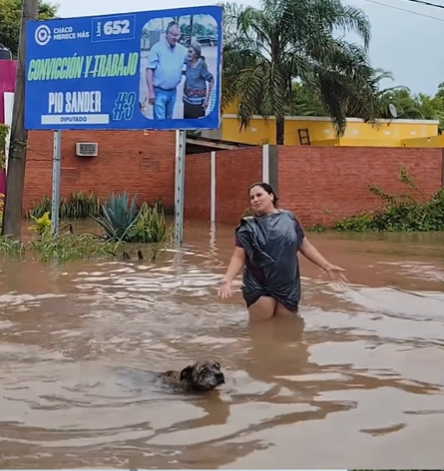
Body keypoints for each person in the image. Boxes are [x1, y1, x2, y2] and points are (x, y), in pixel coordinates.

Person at [217, 182, 347, 322]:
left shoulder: (290, 219)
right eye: (252, 197)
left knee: (288, 328)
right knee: (260, 330)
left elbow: (305, 246)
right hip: (260, 286)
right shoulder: (247, 227)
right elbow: (238, 257)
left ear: (271, 196)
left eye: (259, 195)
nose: (255, 199)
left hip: (288, 286)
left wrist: (327, 266)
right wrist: (227, 280)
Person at [145, 21, 187, 120]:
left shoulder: (182, 50)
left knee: (169, 121)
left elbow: (190, 64)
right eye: (173, 35)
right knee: (160, 122)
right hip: (159, 92)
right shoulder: (157, 48)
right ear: (167, 34)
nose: (175, 38)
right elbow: (149, 70)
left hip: (173, 92)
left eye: (177, 35)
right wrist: (151, 92)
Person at [182, 41, 214, 119]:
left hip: (198, 103)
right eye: (188, 51)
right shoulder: (187, 61)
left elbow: (211, 79)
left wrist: (207, 99)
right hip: (187, 101)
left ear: (196, 54)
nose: (188, 54)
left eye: (190, 52)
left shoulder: (201, 65)